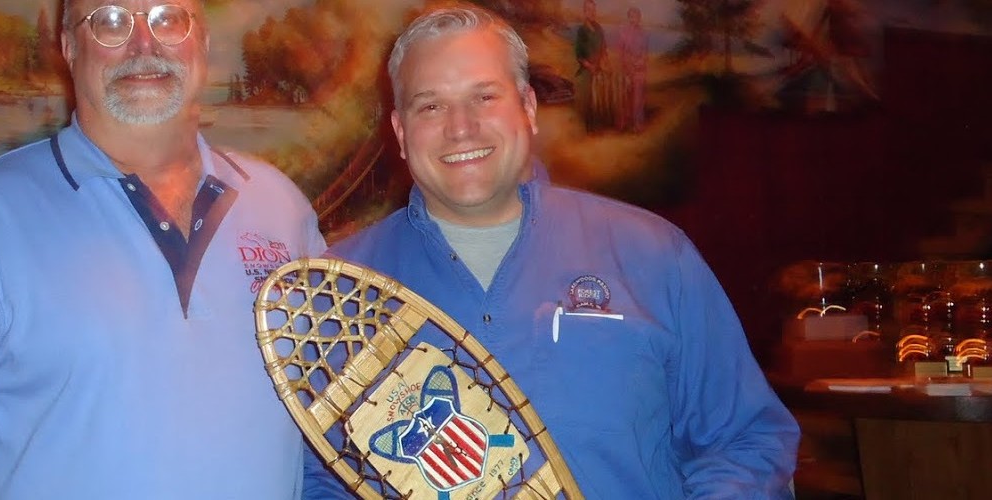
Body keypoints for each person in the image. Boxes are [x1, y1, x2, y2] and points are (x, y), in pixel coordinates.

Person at [0, 0, 326, 498]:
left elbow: (331, 426)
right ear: (69, 47)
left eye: (168, 18)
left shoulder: (282, 208)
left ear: (202, 42)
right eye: (110, 21)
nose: (143, 44)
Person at [305, 6, 799, 499]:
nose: (461, 127)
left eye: (485, 96)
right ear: (400, 132)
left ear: (529, 108)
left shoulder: (653, 254)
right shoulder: (338, 295)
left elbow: (745, 439)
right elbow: (318, 480)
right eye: (430, 105)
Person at [573, 0, 609, 129]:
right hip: (586, 70)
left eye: (594, 10)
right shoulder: (581, 31)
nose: (592, 13)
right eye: (589, 10)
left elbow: (604, 48)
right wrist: (590, 66)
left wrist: (604, 62)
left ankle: (599, 125)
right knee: (587, 99)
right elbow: (579, 55)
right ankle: (588, 127)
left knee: (600, 99)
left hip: (600, 69)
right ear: (585, 12)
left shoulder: (599, 28)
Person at [615, 6, 648, 133]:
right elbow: (620, 52)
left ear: (639, 18)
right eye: (632, 16)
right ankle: (623, 123)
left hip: (639, 71)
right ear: (629, 18)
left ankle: (638, 125)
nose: (634, 19)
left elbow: (645, 53)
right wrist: (627, 66)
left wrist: (640, 62)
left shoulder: (644, 34)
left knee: (638, 99)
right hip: (626, 70)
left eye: (637, 16)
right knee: (625, 98)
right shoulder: (623, 32)